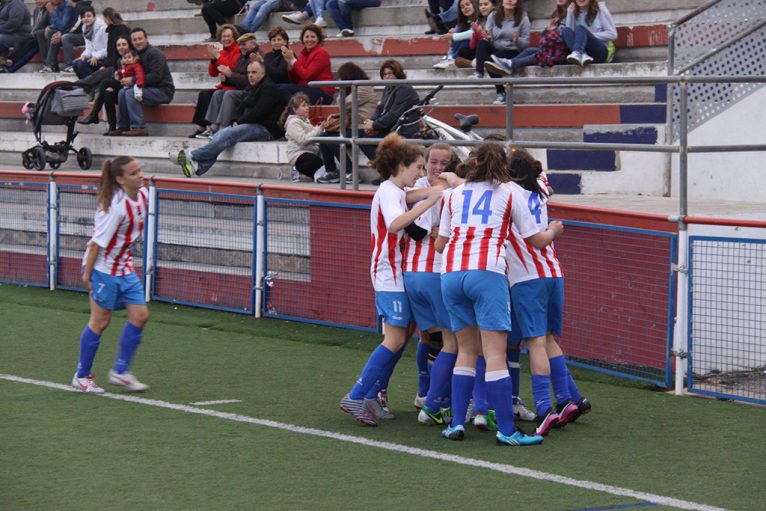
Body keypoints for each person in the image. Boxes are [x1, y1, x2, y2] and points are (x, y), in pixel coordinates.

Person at [434, 142, 546, 446]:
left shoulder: (454, 194)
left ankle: (456, 424)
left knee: (465, 351)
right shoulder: (510, 192)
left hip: (452, 273)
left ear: (473, 162)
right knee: (495, 354)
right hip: (487, 272)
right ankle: (507, 430)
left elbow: (439, 244)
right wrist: (553, 234)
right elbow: (532, 236)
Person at [339, 133, 442, 427]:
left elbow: (407, 197)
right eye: (418, 168)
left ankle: (371, 394)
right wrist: (432, 199)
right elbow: (397, 221)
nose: (421, 174)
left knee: (401, 338)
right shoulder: (387, 191)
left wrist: (435, 191)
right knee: (394, 339)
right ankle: (357, 395)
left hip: (397, 272)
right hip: (389, 273)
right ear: (401, 165)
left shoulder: (394, 189)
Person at [504, 148, 590, 435]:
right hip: (553, 272)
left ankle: (544, 408)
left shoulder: (506, 193)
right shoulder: (539, 189)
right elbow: (546, 182)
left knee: (536, 343)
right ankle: (566, 400)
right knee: (549, 339)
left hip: (527, 277)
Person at [72, 156, 150, 394]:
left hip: (124, 266)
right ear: (120, 179)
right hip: (103, 269)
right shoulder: (115, 207)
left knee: (140, 315)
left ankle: (120, 371)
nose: (140, 175)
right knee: (100, 322)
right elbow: (96, 245)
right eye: (133, 173)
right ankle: (82, 375)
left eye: (140, 171)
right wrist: (87, 276)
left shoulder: (145, 194)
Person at [395, 144, 460, 424]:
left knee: (427, 336)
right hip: (432, 272)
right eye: (433, 162)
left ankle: (424, 393)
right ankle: (438, 401)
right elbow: (417, 229)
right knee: (450, 340)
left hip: (413, 273)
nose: (437, 168)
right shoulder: (431, 188)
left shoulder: (420, 187)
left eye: (443, 163)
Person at [172, 60, 286, 177]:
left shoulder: (269, 88)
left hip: (267, 130)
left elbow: (259, 113)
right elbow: (244, 108)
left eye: (254, 72)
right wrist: (235, 121)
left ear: (263, 73)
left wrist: (239, 122)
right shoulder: (253, 87)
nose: (250, 75)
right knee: (220, 134)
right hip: (253, 125)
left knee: (229, 134)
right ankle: (198, 166)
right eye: (248, 72)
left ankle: (192, 155)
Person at [317, 61, 377, 184]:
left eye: (342, 78)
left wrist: (342, 88)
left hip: (362, 128)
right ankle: (331, 172)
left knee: (334, 140)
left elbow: (343, 103)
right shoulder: (353, 88)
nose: (340, 80)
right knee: (323, 137)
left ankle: (351, 172)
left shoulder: (364, 88)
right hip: (352, 128)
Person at [107, 28, 175, 137]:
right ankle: (123, 126)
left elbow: (156, 77)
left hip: (162, 90)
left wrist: (132, 80)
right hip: (146, 88)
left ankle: (139, 127)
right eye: (134, 40)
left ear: (146, 39)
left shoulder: (155, 54)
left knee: (130, 93)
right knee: (122, 93)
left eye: (140, 38)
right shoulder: (134, 55)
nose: (137, 42)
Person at [485, 0, 572, 75]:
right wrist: (547, 30)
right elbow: (543, 40)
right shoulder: (556, 14)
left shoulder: (572, 13)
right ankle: (508, 65)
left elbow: (566, 37)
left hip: (563, 54)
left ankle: (510, 64)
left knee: (538, 55)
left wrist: (518, 40)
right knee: (529, 51)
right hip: (553, 51)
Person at [201, 31, 260, 137]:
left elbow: (250, 80)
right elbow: (215, 73)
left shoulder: (255, 57)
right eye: (240, 44)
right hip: (241, 88)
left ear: (253, 45)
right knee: (218, 93)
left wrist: (229, 74)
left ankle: (223, 127)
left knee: (228, 94)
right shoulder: (243, 57)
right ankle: (213, 126)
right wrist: (225, 79)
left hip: (252, 92)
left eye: (244, 44)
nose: (241, 47)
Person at [189, 24, 240, 139]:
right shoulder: (221, 53)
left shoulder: (237, 51)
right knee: (204, 94)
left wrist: (217, 56)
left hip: (233, 87)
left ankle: (214, 128)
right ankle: (201, 128)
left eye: (229, 36)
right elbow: (212, 73)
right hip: (223, 87)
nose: (226, 39)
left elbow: (231, 67)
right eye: (224, 37)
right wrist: (213, 59)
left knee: (213, 94)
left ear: (234, 37)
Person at [474, 0, 529, 104]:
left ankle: (501, 93)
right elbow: (488, 35)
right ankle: (478, 72)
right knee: (482, 43)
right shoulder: (493, 16)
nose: (509, 1)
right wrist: (489, 37)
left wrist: (518, 40)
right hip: (496, 47)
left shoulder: (523, 18)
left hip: (513, 50)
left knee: (490, 60)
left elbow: (526, 45)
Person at [77, 34, 132, 133]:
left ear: (129, 45)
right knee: (107, 92)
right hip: (121, 86)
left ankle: (94, 114)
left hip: (131, 88)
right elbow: (116, 78)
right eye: (118, 45)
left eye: (124, 44)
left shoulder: (133, 58)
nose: (121, 47)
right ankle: (112, 128)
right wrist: (113, 84)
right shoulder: (118, 59)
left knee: (106, 83)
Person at [282, 92, 335, 182]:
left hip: (310, 151)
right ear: (295, 110)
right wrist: (319, 128)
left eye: (307, 105)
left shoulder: (305, 120)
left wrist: (324, 127)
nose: (307, 108)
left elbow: (313, 135)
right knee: (313, 162)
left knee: (327, 158)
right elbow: (303, 140)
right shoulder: (293, 122)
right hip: (299, 153)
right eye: (303, 106)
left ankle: (326, 174)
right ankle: (297, 169)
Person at [279, 23, 335, 105]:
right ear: (303, 39)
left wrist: (293, 59)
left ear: (318, 39)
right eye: (307, 37)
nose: (309, 40)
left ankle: (296, 109)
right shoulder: (303, 54)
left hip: (322, 92)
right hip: (307, 89)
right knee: (275, 89)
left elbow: (307, 75)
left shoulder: (321, 53)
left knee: (281, 88)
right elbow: (295, 80)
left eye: (313, 37)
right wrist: (289, 64)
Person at [0, 0, 49, 73]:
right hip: (33, 37)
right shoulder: (37, 10)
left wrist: (51, 27)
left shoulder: (16, 4)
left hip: (26, 36)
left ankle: (9, 66)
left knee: (28, 44)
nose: (38, 1)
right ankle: (7, 61)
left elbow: (14, 23)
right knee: (25, 43)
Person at [562, 0, 616, 66]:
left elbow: (613, 34)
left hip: (599, 53)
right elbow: (570, 35)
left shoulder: (600, 10)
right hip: (584, 56)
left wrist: (587, 36)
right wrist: (570, 13)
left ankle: (579, 53)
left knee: (580, 28)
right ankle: (582, 54)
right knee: (565, 30)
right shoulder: (574, 11)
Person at [432, 0, 479, 70]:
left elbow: (474, 33)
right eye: (462, 7)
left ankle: (453, 58)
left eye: (467, 4)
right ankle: (451, 58)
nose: (465, 8)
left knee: (462, 37)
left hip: (481, 49)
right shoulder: (462, 22)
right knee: (456, 32)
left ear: (474, 5)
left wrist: (453, 36)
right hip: (467, 52)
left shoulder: (480, 17)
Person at [37, 0, 75, 73]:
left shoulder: (68, 6)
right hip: (61, 30)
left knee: (52, 33)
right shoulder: (57, 5)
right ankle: (46, 64)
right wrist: (49, 26)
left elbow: (63, 26)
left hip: (69, 31)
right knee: (40, 33)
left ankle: (51, 65)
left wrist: (52, 12)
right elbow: (56, 23)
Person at [71, 5, 107, 79]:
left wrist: (96, 56)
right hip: (93, 58)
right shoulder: (85, 28)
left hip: (103, 58)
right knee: (75, 63)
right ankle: (85, 84)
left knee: (82, 65)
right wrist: (84, 55)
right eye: (83, 17)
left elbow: (108, 48)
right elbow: (89, 48)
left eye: (88, 16)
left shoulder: (103, 28)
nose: (86, 18)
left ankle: (92, 84)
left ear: (94, 17)